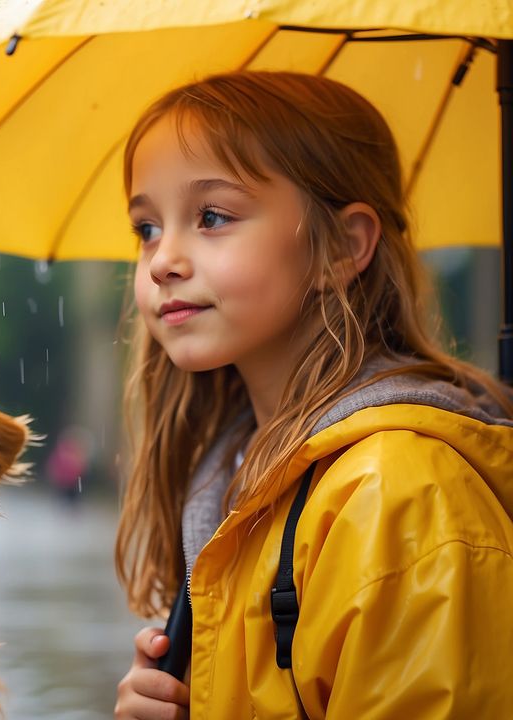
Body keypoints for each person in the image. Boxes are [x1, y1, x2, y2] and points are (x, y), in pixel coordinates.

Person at [112, 71, 513, 719]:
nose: (162, 260)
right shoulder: (237, 481)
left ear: (343, 247)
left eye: (212, 216)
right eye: (147, 229)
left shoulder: (401, 498)